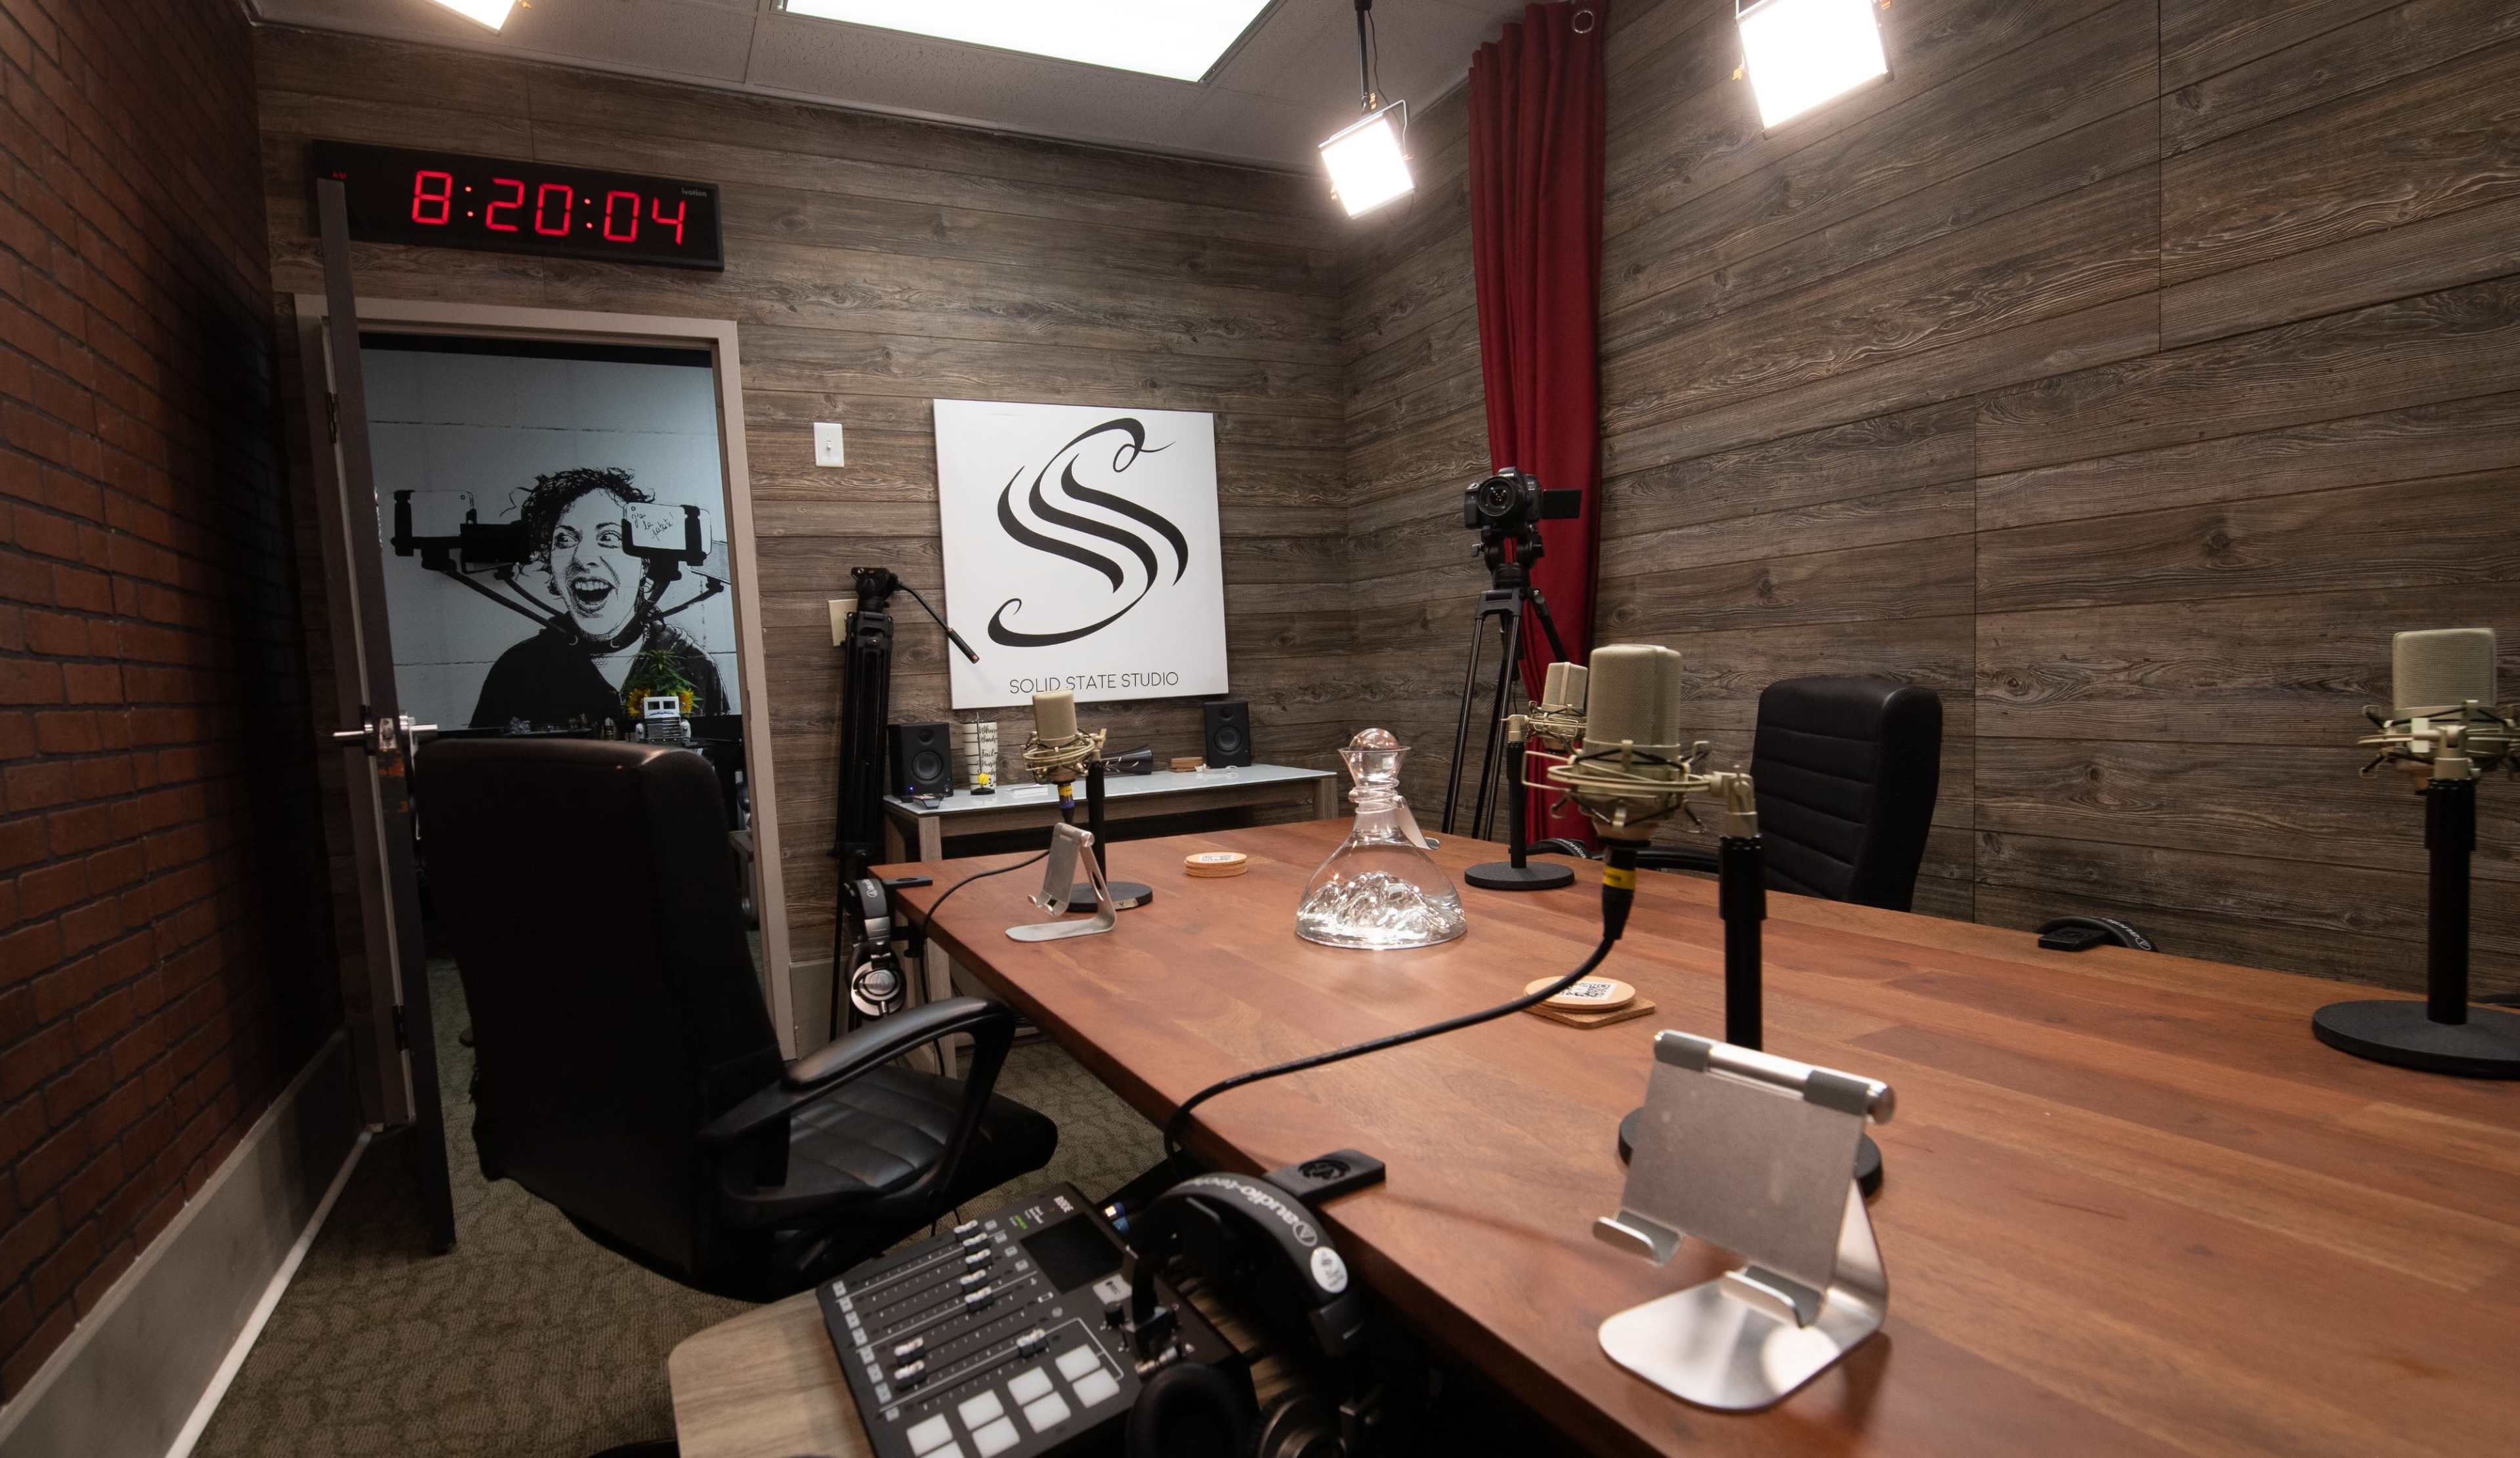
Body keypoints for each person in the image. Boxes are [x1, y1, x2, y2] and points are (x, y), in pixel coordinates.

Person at [469, 467, 726, 730]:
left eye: (609, 538)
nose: (582, 558)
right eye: (565, 539)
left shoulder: (693, 664)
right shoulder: (518, 670)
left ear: (646, 563)